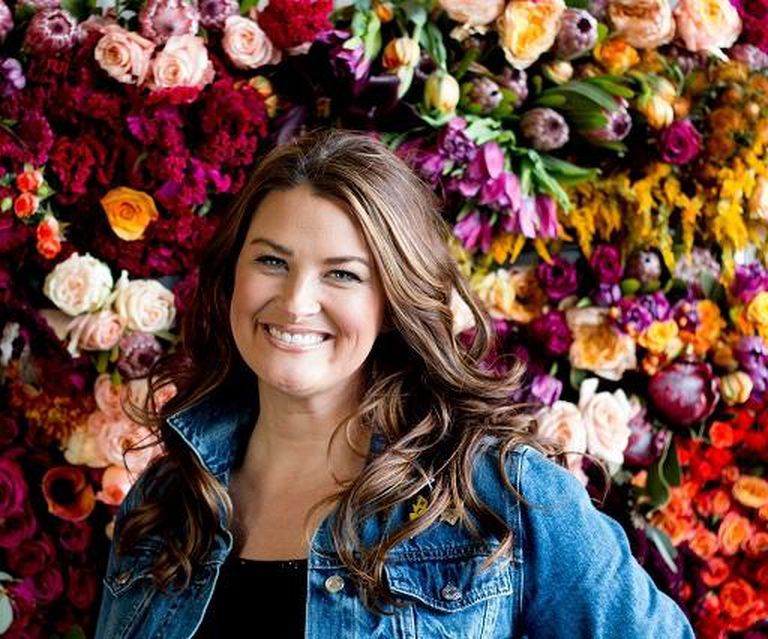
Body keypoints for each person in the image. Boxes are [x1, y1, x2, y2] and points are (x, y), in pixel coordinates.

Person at [94, 129, 694, 638]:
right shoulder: (167, 501)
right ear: (232, 277)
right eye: (272, 261)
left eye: (343, 274)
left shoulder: (500, 497)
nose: (296, 301)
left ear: (391, 302)